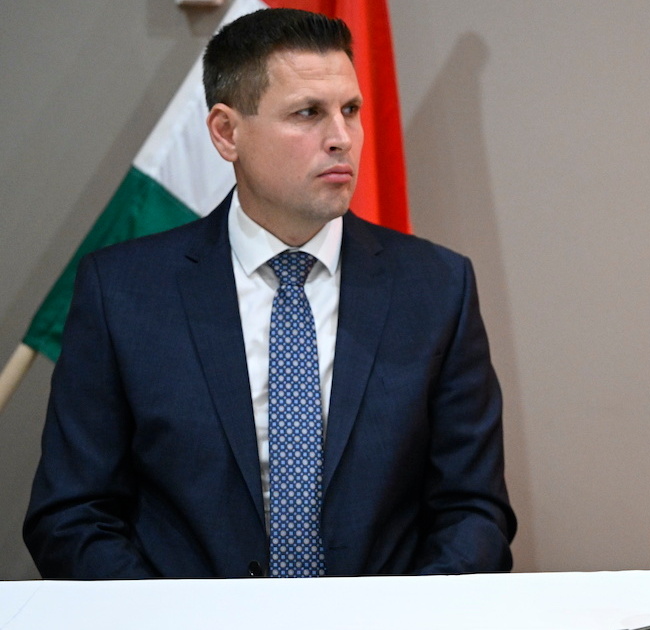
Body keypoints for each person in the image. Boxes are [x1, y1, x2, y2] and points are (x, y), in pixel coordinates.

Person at [24, 8, 516, 579]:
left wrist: (404, 617)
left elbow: (473, 512)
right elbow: (72, 515)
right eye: (308, 113)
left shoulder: (437, 288)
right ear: (226, 133)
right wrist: (172, 620)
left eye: (350, 110)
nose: (342, 138)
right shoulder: (122, 293)